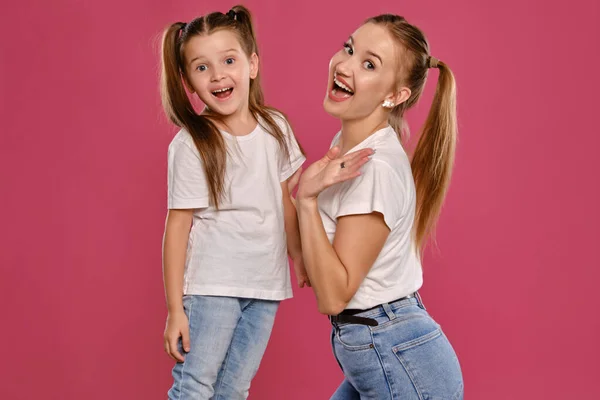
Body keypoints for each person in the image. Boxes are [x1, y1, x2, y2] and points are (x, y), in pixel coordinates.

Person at [295, 14, 464, 399]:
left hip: (396, 353)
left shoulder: (374, 168)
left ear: (394, 96)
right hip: (379, 344)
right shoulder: (352, 146)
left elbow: (334, 294)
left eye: (369, 64)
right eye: (349, 48)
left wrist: (306, 200)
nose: (344, 65)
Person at [159, 5, 306, 399]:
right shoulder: (193, 143)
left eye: (228, 60)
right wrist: (176, 310)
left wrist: (299, 257)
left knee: (235, 390)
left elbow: (284, 202)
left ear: (252, 64)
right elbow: (177, 229)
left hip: (265, 286)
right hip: (212, 286)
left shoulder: (276, 129)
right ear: (188, 81)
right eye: (201, 67)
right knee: (195, 385)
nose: (218, 74)